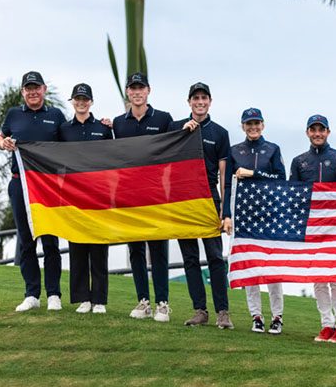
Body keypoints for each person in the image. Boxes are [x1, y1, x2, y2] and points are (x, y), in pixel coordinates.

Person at [0, 71, 65, 311]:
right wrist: (3, 142)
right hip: (20, 184)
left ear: (44, 89)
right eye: (29, 88)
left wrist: (102, 125)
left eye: (36, 88)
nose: (33, 92)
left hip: (48, 186)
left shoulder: (56, 115)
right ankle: (32, 295)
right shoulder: (13, 114)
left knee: (50, 240)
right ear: (23, 92)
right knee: (26, 241)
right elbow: (0, 136)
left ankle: (54, 294)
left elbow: (72, 141)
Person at [172, 82, 234, 330]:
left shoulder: (220, 133)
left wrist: (224, 210)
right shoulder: (176, 127)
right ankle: (200, 310)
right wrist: (180, 136)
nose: (199, 102)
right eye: (195, 98)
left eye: (204, 98)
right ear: (189, 102)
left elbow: (224, 175)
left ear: (210, 101)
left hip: (209, 200)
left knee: (215, 257)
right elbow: (163, 160)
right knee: (190, 258)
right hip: (183, 201)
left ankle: (223, 312)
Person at [112, 72, 173, 322]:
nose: (137, 92)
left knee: (158, 249)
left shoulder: (163, 119)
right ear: (128, 92)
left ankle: (162, 303)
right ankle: (143, 301)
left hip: (156, 193)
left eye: (141, 88)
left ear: (148, 91)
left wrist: (188, 127)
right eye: (133, 88)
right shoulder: (118, 123)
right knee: (135, 249)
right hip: (128, 193)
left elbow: (176, 147)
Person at [222, 108, 286, 334]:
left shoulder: (273, 149)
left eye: (256, 123)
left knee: (272, 267)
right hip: (244, 216)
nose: (253, 127)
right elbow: (227, 185)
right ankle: (256, 316)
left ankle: (277, 316)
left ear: (263, 125)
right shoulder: (234, 151)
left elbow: (281, 179)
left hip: (270, 216)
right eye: (249, 124)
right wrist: (226, 215)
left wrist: (253, 173)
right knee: (250, 266)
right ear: (243, 126)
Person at [290, 114, 336, 343]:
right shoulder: (299, 161)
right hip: (311, 226)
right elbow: (294, 195)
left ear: (328, 132)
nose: (317, 133)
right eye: (313, 129)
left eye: (321, 129)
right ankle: (326, 324)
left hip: (335, 226)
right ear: (308, 132)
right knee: (318, 277)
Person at [59, 83, 113, 314]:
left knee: (99, 248)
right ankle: (83, 299)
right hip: (73, 196)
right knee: (77, 247)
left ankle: (99, 300)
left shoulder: (103, 128)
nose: (81, 103)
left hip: (99, 195)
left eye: (85, 99)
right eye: (77, 99)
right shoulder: (63, 130)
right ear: (72, 101)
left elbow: (113, 159)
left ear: (91, 102)